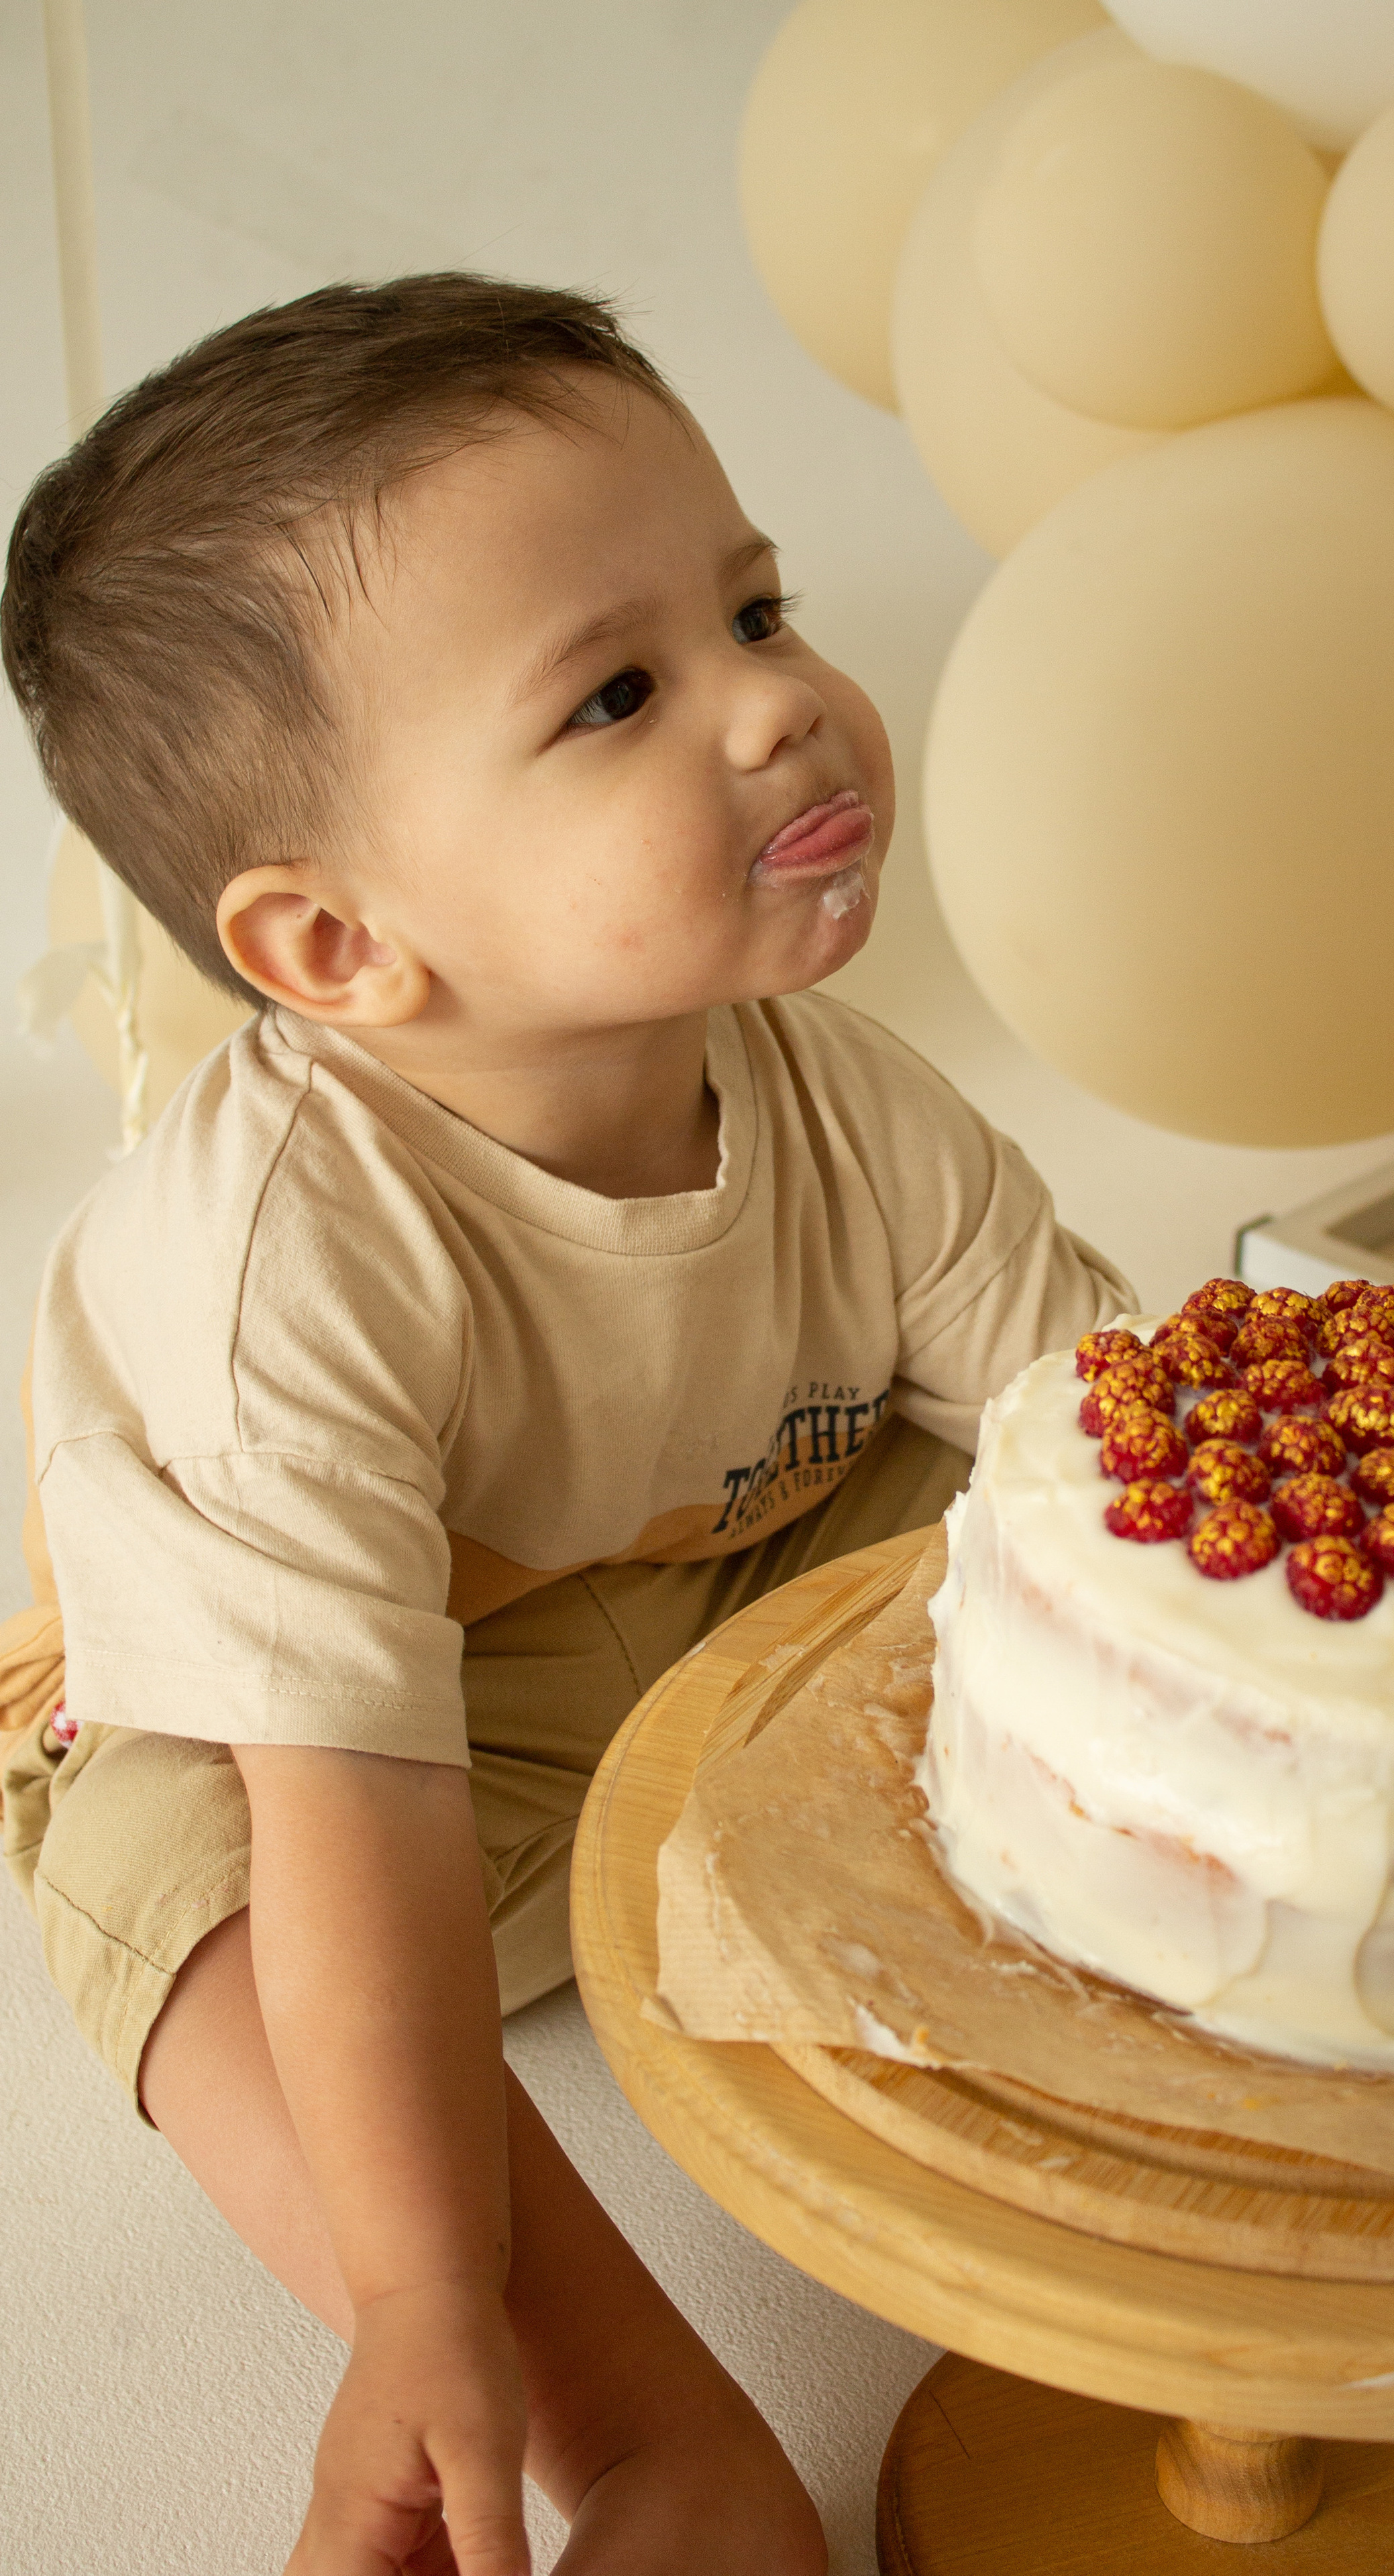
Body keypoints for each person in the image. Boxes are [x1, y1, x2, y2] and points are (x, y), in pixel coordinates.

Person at [0, 274, 1130, 2575]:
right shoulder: (277, 1275)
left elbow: (1107, 1457)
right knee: (187, 1871)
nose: (783, 711)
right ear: (333, 953)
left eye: (757, 611)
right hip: (357, 1757)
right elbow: (360, 1819)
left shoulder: (850, 1109)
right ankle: (622, 2443)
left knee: (1051, 1506)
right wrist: (428, 2301)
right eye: (621, 692)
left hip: (726, 1596)